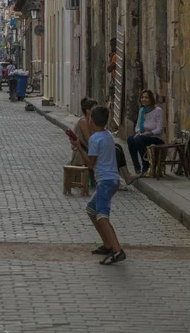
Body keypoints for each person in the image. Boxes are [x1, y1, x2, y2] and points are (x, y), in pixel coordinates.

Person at [71, 105, 126, 265]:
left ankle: (117, 249)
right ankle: (108, 244)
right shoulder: (107, 135)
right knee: (91, 210)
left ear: (91, 120)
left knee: (102, 216)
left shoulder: (95, 138)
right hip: (112, 179)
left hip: (105, 182)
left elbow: (89, 164)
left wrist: (78, 146)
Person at [127, 89, 164, 175]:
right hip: (143, 136)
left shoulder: (158, 110)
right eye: (142, 97)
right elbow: (137, 126)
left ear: (151, 99)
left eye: (146, 97)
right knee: (130, 139)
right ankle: (137, 167)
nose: (144, 99)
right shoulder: (142, 110)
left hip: (155, 137)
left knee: (139, 139)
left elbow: (159, 129)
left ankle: (146, 165)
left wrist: (148, 133)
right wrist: (139, 132)